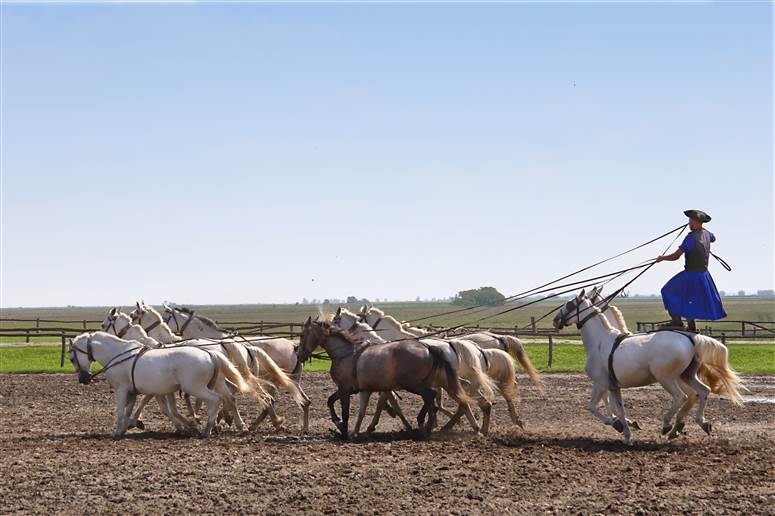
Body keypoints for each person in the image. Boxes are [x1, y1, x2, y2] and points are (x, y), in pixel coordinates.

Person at [656, 209, 727, 332]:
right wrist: (703, 233)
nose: (688, 223)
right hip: (703, 275)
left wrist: (662, 258)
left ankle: (677, 321)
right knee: (690, 298)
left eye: (690, 220)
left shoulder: (690, 238)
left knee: (667, 290)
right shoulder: (707, 234)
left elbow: (675, 256)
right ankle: (691, 326)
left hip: (691, 274)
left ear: (694, 222)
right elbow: (713, 238)